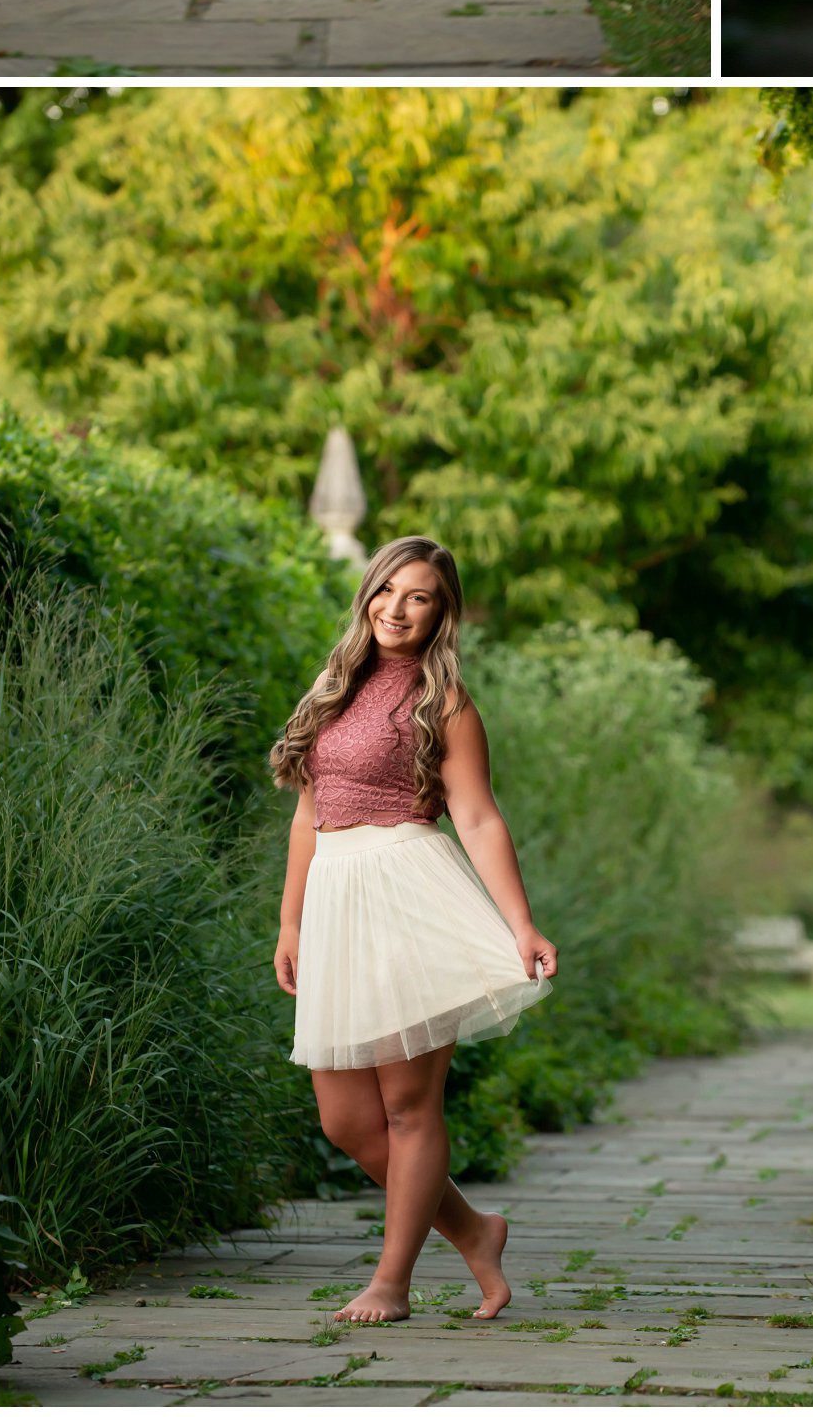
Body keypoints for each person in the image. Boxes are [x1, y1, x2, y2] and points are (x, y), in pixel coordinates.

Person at [272, 534, 555, 1331]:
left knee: (407, 1105)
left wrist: (521, 923)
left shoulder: (447, 702)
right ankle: (473, 1230)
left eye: (419, 595)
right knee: (347, 1121)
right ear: (368, 594)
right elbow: (306, 814)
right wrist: (291, 920)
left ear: (442, 612)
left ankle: (391, 1282)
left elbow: (476, 815)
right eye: (387, 590)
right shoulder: (332, 686)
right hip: (333, 900)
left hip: (407, 893)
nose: (397, 608)